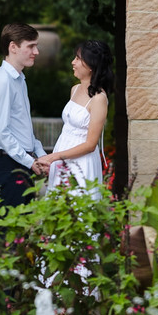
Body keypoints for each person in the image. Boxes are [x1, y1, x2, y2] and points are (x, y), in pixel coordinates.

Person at [33, 40, 114, 201]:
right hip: (62, 154)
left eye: (78, 58)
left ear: (91, 65)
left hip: (81, 162)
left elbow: (91, 145)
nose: (73, 62)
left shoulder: (99, 99)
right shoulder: (75, 89)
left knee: (78, 211)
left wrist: (53, 157)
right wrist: (56, 158)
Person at [0, 22, 46, 209]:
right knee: (9, 231)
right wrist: (29, 161)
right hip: (8, 165)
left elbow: (23, 127)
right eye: (31, 46)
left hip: (20, 163)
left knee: (22, 232)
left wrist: (40, 155)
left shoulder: (19, 80)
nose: (36, 52)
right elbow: (1, 132)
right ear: (13, 47)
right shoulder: (3, 81)